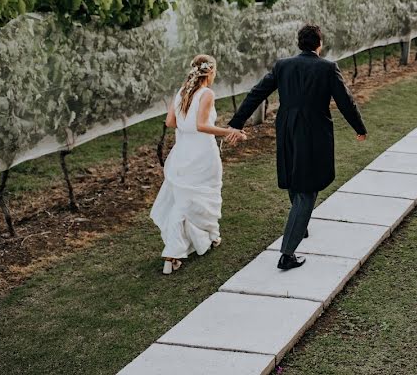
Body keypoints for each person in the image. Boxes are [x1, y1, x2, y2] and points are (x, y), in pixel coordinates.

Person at [227, 24, 367, 270]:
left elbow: (257, 93)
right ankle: (287, 254)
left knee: (295, 178)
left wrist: (236, 123)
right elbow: (346, 100)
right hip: (314, 132)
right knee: (307, 189)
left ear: (299, 43)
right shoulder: (327, 67)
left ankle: (299, 226)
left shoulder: (283, 65)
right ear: (319, 44)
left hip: (287, 130)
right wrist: (359, 127)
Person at [150, 54, 246, 275]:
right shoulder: (206, 94)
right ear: (210, 72)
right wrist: (230, 132)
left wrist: (185, 128)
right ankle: (185, 246)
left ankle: (201, 241)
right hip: (202, 154)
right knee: (205, 195)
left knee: (184, 199)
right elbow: (202, 125)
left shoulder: (181, 92)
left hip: (182, 153)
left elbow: (170, 122)